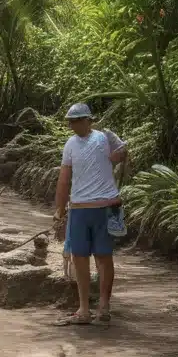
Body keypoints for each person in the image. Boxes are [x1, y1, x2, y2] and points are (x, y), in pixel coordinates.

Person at [53, 102, 128, 325]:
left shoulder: (104, 138)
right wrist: (59, 208)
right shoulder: (70, 145)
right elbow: (64, 178)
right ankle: (84, 309)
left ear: (88, 120)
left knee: (104, 257)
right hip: (79, 208)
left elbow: (119, 157)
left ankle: (103, 306)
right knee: (80, 258)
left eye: (76, 121)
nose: (72, 125)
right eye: (70, 122)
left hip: (106, 207)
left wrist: (120, 147)